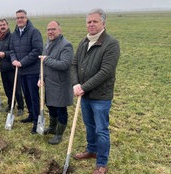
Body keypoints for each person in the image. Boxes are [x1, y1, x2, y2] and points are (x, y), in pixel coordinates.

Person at [71, 8, 120, 174]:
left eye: (95, 21)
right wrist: (75, 84)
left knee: (101, 130)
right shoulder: (84, 42)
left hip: (100, 97)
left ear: (103, 23)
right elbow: (74, 64)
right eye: (89, 22)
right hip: (84, 95)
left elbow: (105, 72)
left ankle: (102, 163)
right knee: (89, 125)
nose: (91, 24)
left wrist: (83, 87)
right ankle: (91, 150)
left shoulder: (111, 43)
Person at [38, 21, 74, 144]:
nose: (50, 32)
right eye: (48, 29)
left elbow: (64, 64)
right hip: (48, 82)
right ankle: (52, 128)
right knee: (50, 106)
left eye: (53, 29)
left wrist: (47, 60)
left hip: (60, 84)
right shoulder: (47, 44)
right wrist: (40, 77)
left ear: (60, 30)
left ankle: (59, 134)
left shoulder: (66, 45)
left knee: (60, 109)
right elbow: (42, 64)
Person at [10, 9, 43, 134]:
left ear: (26, 18)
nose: (20, 20)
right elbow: (12, 50)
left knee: (34, 96)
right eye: (18, 18)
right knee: (27, 95)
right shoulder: (14, 34)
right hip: (21, 71)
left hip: (32, 71)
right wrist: (14, 60)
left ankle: (37, 121)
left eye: (22, 17)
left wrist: (22, 62)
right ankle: (31, 115)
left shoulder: (34, 32)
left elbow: (37, 50)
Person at [0, 18, 24, 116]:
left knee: (17, 89)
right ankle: (11, 104)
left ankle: (21, 107)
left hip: (12, 68)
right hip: (2, 69)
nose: (2, 26)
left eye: (4, 25)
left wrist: (5, 54)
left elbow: (14, 51)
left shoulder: (12, 37)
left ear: (7, 25)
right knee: (7, 89)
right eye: (0, 25)